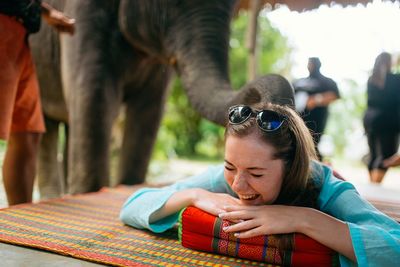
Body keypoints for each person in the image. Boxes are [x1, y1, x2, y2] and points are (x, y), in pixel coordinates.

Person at [120, 99, 400, 265]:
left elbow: (395, 249)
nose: (238, 185)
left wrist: (304, 219)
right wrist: (192, 195)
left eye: (256, 174)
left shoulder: (325, 185)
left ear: (292, 167)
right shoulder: (224, 178)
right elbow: (132, 207)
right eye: (231, 166)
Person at [0, 0, 75, 205]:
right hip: (3, 26)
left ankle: (19, 220)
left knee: (27, 133)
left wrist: (45, 11)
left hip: (20, 32)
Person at [363, 52, 400, 184]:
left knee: (373, 155)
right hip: (388, 121)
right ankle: (375, 185)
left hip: (370, 119)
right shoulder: (395, 79)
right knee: (387, 156)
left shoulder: (371, 79)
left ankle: (372, 184)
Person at [293, 57, 340, 160]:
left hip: (316, 119)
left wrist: (316, 99)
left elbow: (335, 95)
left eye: (312, 63)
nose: (310, 66)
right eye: (308, 63)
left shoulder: (326, 81)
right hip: (298, 117)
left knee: (313, 143)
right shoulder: (300, 81)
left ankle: (315, 168)